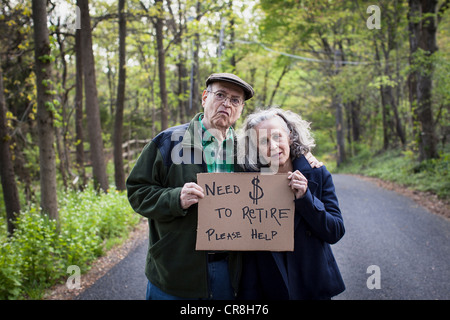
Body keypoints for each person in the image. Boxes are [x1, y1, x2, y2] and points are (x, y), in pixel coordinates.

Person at [127, 73, 322, 300]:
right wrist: (175, 198)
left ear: (240, 109)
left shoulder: (247, 148)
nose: (226, 104)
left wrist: (304, 155)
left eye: (235, 100)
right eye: (220, 95)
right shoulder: (168, 142)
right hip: (175, 271)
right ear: (204, 98)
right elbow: (137, 191)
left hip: (230, 272)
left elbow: (279, 157)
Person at [236, 107, 345, 300]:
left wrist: (306, 199)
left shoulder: (316, 173)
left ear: (290, 137)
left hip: (312, 284)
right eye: (263, 141)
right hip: (268, 288)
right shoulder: (247, 182)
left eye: (278, 137)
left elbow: (335, 231)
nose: (273, 146)